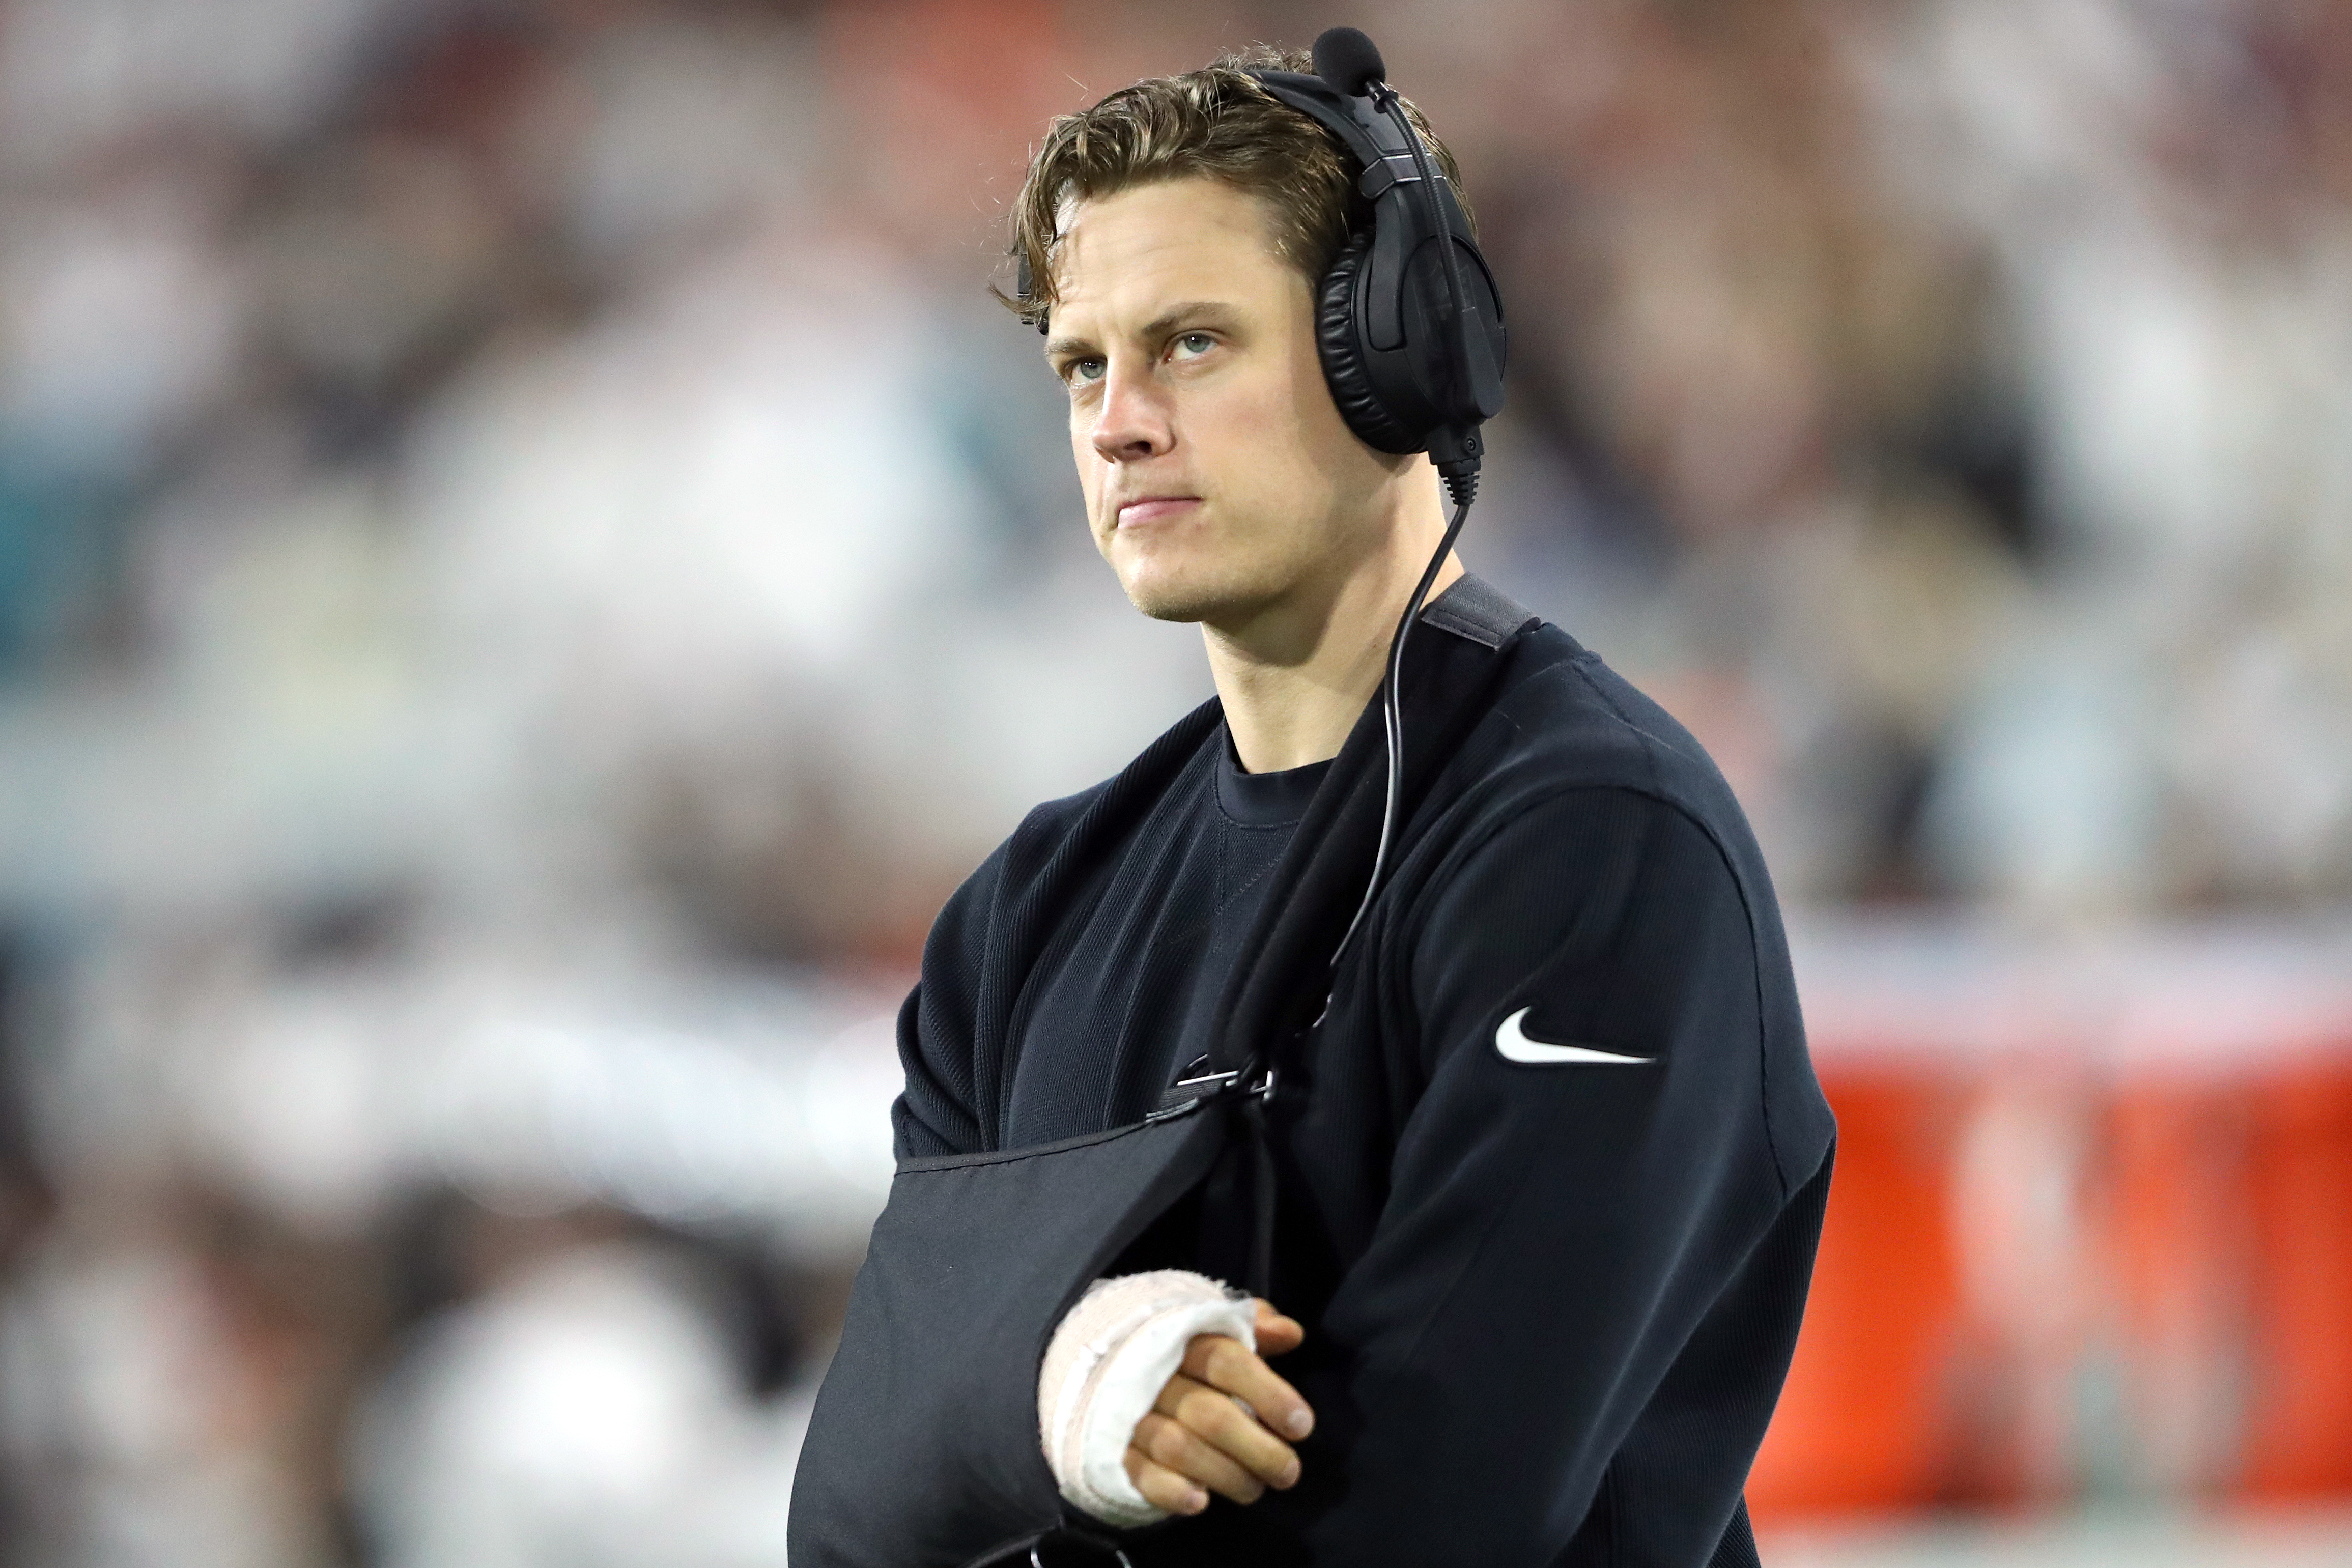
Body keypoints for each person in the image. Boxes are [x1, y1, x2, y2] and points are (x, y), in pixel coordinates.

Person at [795, 39, 1836, 1567]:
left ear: (1397, 352)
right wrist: (1078, 1376)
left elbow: (1427, 1515)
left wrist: (1025, 1403)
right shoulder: (1026, 913)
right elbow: (857, 1512)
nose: (1117, 422)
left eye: (1193, 343)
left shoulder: (1597, 848)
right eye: (1084, 364)